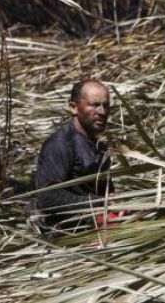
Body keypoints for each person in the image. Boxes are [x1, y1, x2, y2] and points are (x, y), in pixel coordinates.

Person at [35, 80, 119, 229]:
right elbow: (47, 197)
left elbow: (106, 192)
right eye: (94, 105)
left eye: (106, 106)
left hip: (98, 220)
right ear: (73, 108)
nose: (102, 112)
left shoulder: (100, 147)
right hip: (70, 232)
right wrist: (96, 204)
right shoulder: (61, 145)